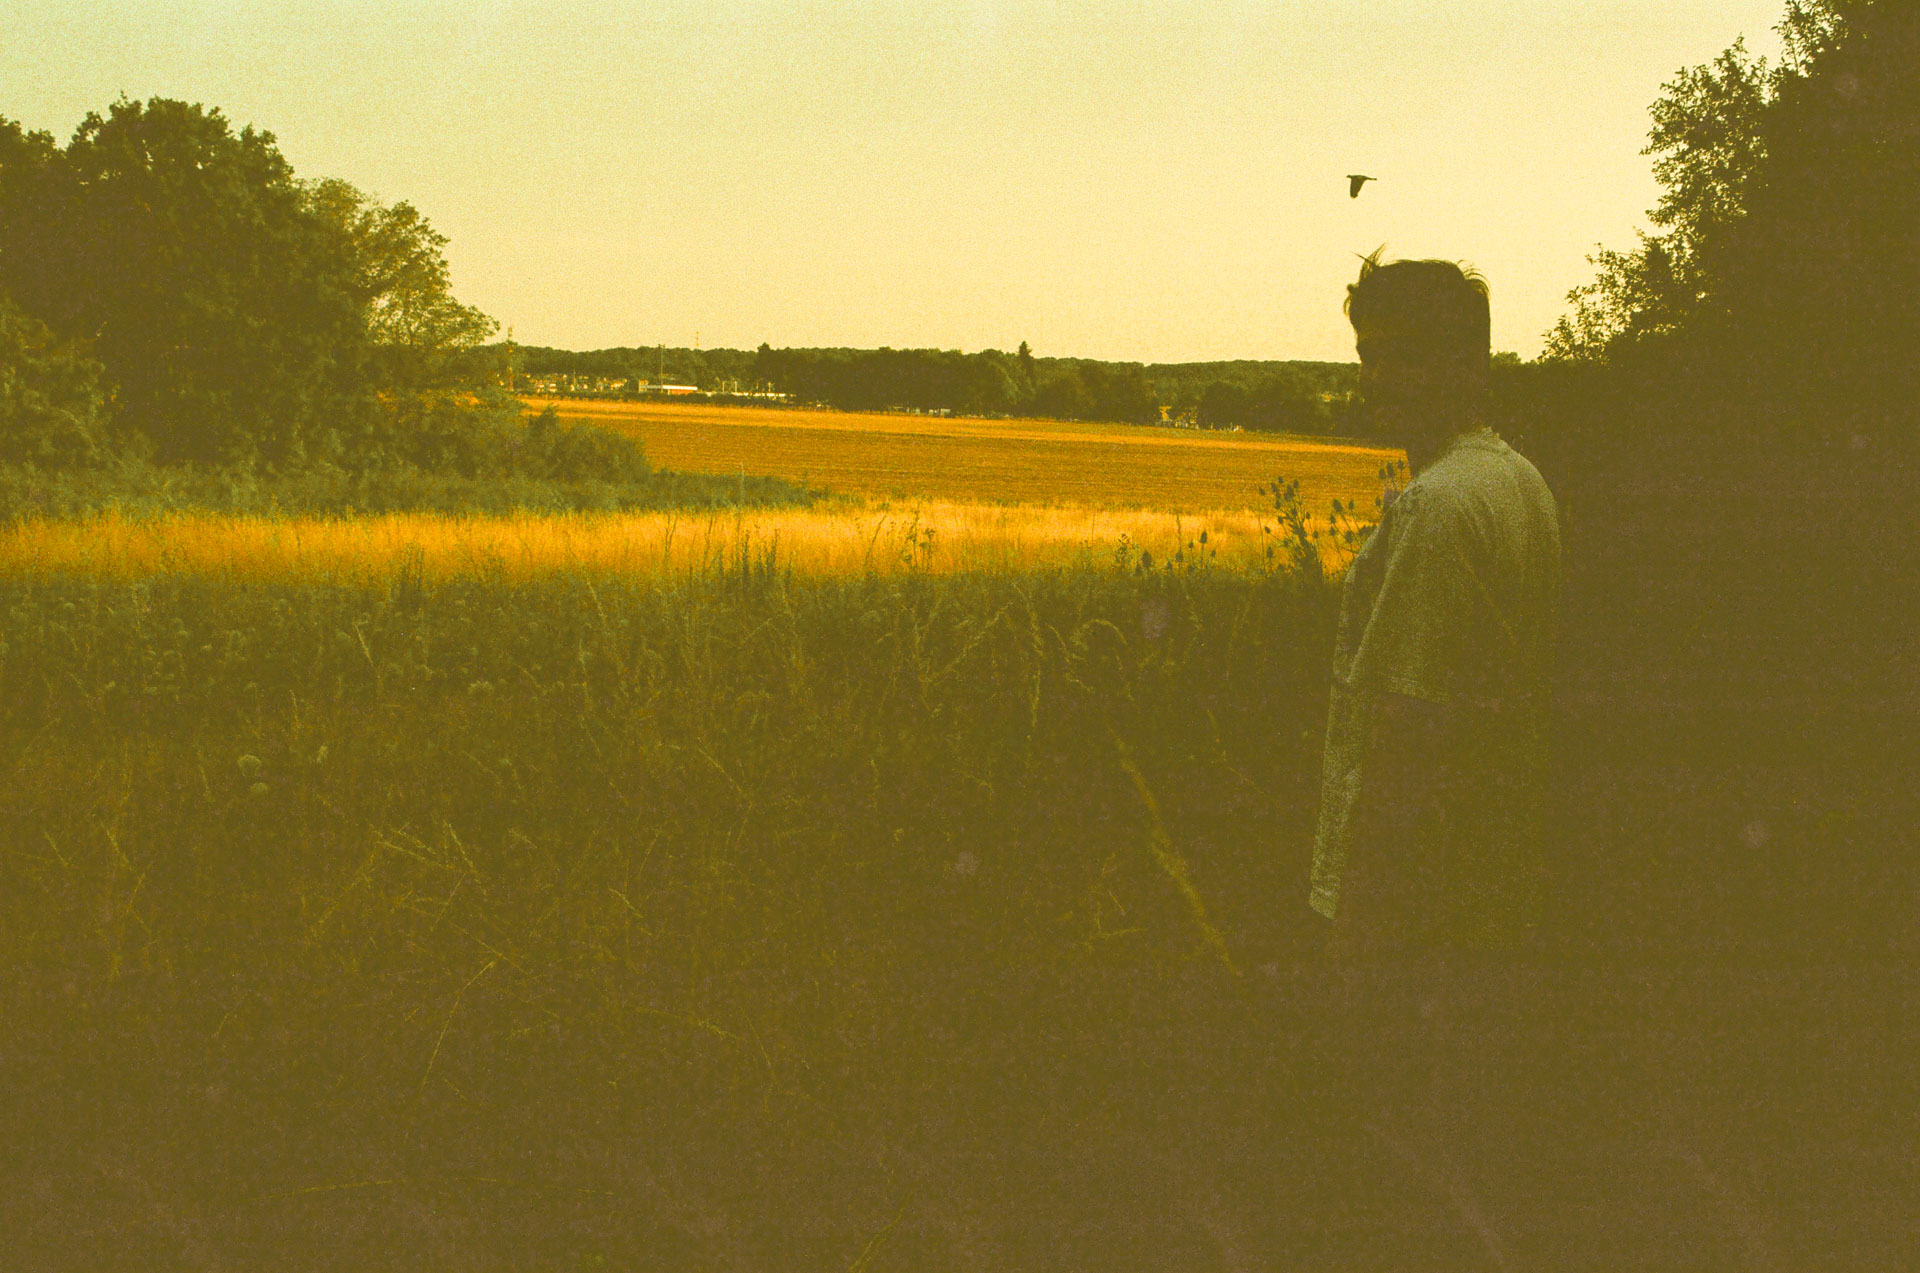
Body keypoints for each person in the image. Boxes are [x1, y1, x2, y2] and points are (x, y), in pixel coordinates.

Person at [1304, 250, 1563, 1265]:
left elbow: (1404, 747)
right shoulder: (1519, 481)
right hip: (1490, 887)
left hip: (1416, 913)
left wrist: (1351, 948)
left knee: (1389, 1187)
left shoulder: (1439, 510)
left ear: (1464, 365)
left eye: (1401, 358)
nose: (1376, 380)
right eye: (1370, 355)